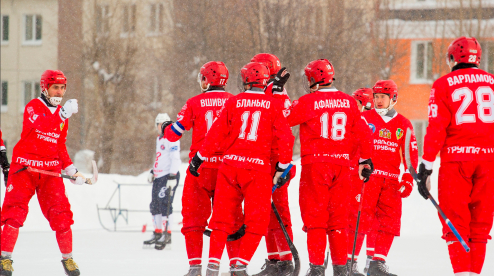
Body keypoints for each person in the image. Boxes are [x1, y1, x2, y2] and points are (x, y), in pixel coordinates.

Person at [190, 61, 294, 276]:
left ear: (245, 80)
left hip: (230, 166)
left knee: (220, 220)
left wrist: (200, 157)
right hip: (258, 170)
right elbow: (286, 137)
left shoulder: (234, 102)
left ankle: (212, 265)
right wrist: (282, 167)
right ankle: (240, 264)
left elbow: (216, 134)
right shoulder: (273, 105)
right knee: (257, 221)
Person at [286, 59, 373, 276]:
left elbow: (285, 118)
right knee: (338, 221)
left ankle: (316, 267)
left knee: (316, 220)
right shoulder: (349, 102)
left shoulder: (308, 101)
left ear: (315, 79)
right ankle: (340, 268)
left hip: (316, 165)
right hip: (342, 165)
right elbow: (364, 133)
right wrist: (366, 160)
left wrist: (278, 93)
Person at [417, 37, 494, 276]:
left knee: (455, 222)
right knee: (480, 225)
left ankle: (462, 272)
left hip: (456, 160)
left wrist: (426, 165)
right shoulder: (492, 82)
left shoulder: (443, 84)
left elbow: (436, 127)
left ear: (452, 58)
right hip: (488, 160)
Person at [0, 70, 86, 276]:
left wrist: (71, 169)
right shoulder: (33, 107)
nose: (59, 92)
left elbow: (59, 144)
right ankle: (5, 259)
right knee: (14, 214)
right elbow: (42, 126)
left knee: (62, 215)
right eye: (55, 87)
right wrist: (63, 114)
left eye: (62, 88)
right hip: (24, 170)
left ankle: (68, 259)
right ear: (45, 88)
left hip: (49, 172)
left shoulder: (62, 116)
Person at [164, 61, 244, 276]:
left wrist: (165, 127)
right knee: (232, 219)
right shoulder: (236, 101)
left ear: (207, 79)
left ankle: (195, 267)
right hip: (228, 168)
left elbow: (173, 134)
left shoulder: (194, 102)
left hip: (199, 168)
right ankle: (236, 265)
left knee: (193, 220)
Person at [355, 80, 418, 276]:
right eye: (376, 97)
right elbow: (353, 145)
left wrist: (408, 177)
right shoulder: (364, 118)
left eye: (383, 97)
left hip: (390, 181)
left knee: (389, 222)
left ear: (393, 98)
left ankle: (378, 263)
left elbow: (410, 154)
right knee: (360, 220)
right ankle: (350, 261)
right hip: (368, 178)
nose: (378, 101)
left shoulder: (404, 124)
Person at [249, 53, 296, 276]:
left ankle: (285, 260)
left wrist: (284, 165)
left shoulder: (278, 95)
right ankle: (273, 260)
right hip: (263, 160)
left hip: (276, 161)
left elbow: (284, 129)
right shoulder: (269, 92)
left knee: (280, 212)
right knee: (266, 213)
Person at [143, 113, 181, 250]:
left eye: (163, 124)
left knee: (165, 205)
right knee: (155, 205)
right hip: (159, 176)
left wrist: (172, 175)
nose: (161, 127)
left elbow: (175, 158)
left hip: (168, 176)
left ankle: (167, 233)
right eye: (159, 125)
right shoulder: (159, 139)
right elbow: (160, 157)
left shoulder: (172, 138)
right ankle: (158, 232)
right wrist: (153, 171)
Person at [346, 88, 374, 276]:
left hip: (361, 176)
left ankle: (352, 261)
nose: (354, 107)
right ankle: (343, 261)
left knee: (359, 220)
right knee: (344, 218)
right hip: (345, 174)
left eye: (358, 103)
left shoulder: (369, 123)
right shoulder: (350, 121)